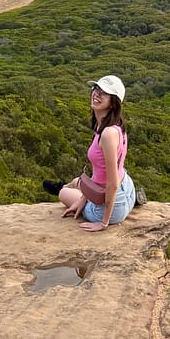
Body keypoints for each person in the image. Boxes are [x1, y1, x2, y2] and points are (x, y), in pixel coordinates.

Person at [45, 75, 136, 232]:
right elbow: (102, 172)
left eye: (104, 92)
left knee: (63, 193)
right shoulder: (117, 125)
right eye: (96, 89)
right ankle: (72, 187)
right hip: (127, 189)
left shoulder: (107, 134)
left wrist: (103, 223)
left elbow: (112, 184)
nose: (96, 94)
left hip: (112, 207)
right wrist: (83, 198)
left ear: (114, 103)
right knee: (76, 182)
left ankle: (61, 189)